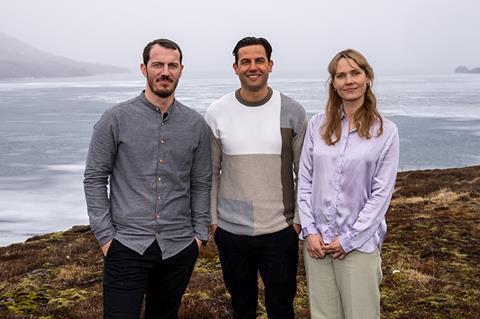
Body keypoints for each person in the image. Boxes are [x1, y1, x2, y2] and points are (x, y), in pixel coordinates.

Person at [83, 38, 211, 319]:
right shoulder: (115, 119)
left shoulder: (196, 125)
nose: (165, 72)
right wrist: (106, 238)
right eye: (158, 65)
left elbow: (201, 182)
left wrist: (199, 236)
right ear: (144, 69)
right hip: (126, 245)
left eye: (172, 65)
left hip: (179, 248)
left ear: (181, 70)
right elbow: (94, 178)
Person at [205, 36, 308, 319]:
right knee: (242, 308)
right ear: (235, 67)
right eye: (246, 61)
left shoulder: (293, 111)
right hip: (231, 231)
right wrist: (213, 222)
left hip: (281, 230)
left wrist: (298, 223)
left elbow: (305, 173)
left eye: (259, 60)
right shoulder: (217, 112)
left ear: (271, 65)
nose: (253, 67)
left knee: (282, 308)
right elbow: (210, 172)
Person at [298, 48, 399, 319]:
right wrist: (309, 231)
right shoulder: (317, 126)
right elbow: (305, 181)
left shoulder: (385, 132)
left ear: (367, 77)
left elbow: (381, 195)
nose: (349, 80)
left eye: (355, 73)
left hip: (358, 246)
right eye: (341, 75)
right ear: (333, 83)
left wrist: (349, 239)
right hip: (317, 244)